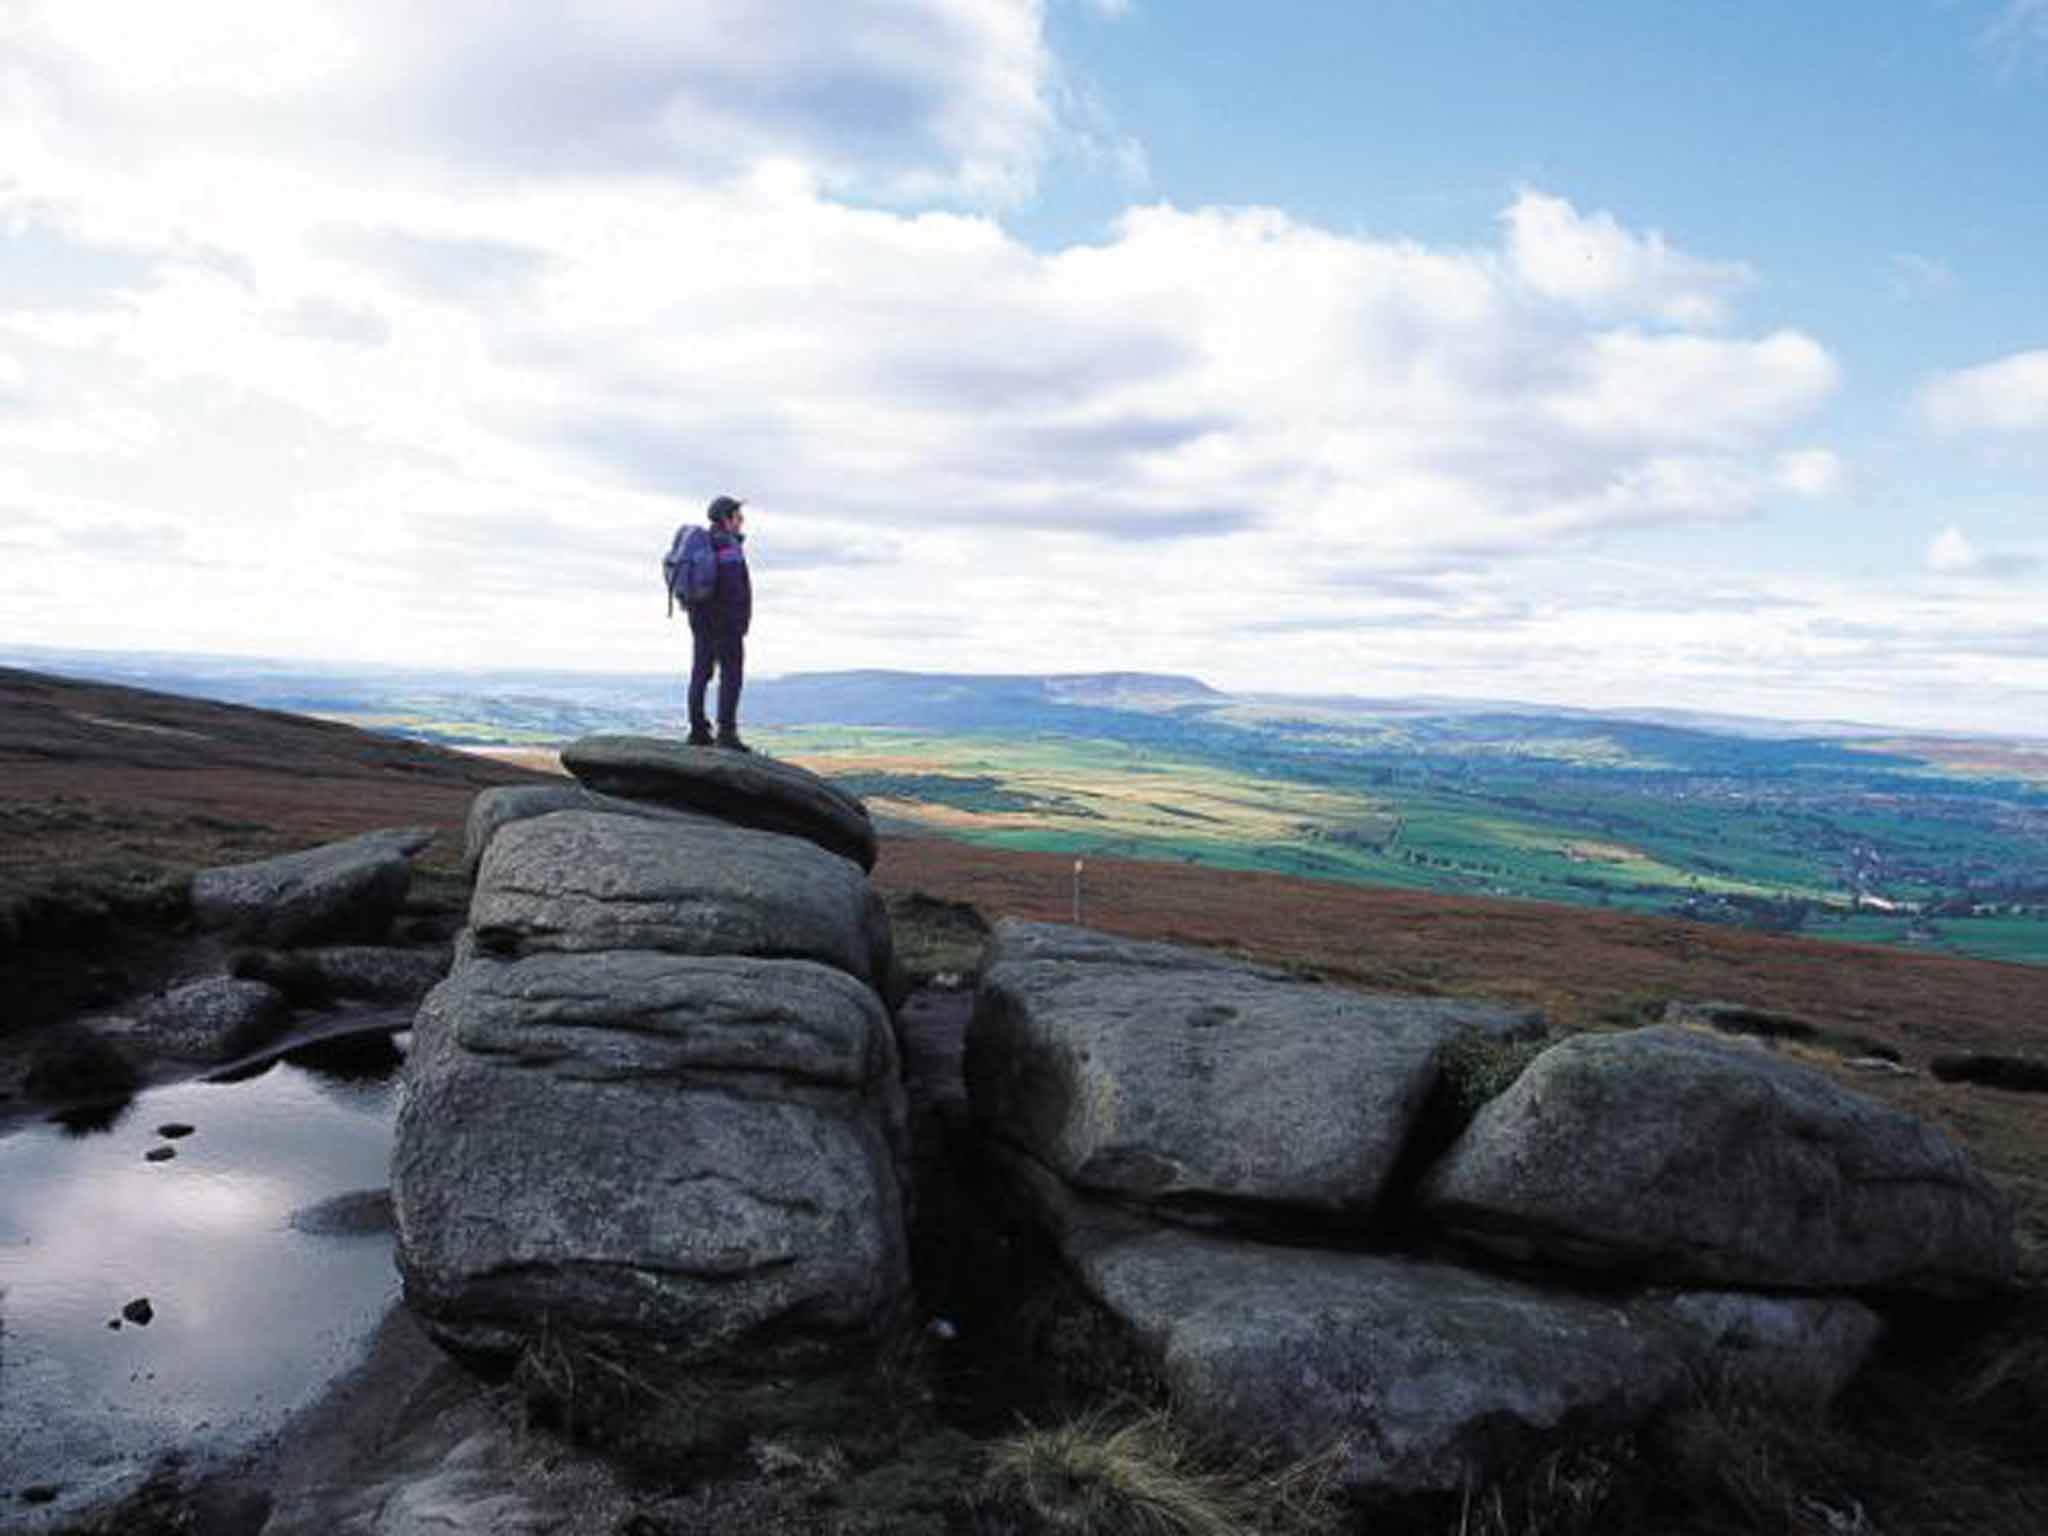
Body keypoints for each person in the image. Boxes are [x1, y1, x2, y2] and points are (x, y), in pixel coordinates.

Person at [687, 494, 752, 751]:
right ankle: (726, 733)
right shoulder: (727, 546)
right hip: (725, 622)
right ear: (727, 519)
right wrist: (740, 622)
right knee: (731, 674)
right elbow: (735, 589)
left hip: (700, 619)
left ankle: (697, 730)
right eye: (738, 517)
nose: (742, 521)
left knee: (700, 673)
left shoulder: (702, 545)